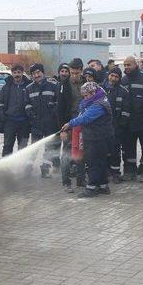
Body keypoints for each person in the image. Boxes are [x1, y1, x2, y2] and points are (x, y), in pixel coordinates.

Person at [61, 82, 113, 198]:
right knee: (100, 162)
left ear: (93, 92)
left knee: (93, 162)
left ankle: (92, 187)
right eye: (83, 96)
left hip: (98, 137)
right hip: (97, 136)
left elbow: (86, 117)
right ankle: (103, 186)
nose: (85, 98)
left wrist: (70, 123)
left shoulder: (99, 105)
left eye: (86, 95)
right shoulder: (95, 101)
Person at [120, 56, 143, 180]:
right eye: (125, 65)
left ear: (136, 64)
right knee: (129, 147)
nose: (126, 67)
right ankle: (130, 171)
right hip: (128, 121)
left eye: (129, 65)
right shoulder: (123, 80)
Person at [25, 63, 59, 178]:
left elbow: (58, 102)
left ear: (43, 72)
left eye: (38, 72)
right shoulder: (29, 88)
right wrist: (31, 115)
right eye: (34, 73)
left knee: (49, 148)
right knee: (34, 147)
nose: (36, 75)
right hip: (36, 123)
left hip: (50, 123)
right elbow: (27, 104)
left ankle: (45, 169)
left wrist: (53, 113)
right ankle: (28, 169)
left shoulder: (53, 85)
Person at [58, 58, 86, 192]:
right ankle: (66, 182)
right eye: (72, 72)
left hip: (84, 123)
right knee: (66, 154)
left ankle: (81, 180)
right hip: (68, 125)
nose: (74, 75)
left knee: (82, 151)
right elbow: (60, 109)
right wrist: (62, 130)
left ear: (81, 70)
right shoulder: (64, 85)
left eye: (76, 73)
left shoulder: (87, 83)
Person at [103, 66, 131, 183]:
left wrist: (121, 125)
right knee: (104, 150)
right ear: (108, 75)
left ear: (119, 78)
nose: (113, 78)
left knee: (115, 151)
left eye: (116, 76)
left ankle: (115, 173)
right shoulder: (100, 89)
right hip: (102, 127)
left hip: (116, 127)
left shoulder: (123, 91)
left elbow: (126, 110)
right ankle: (105, 172)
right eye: (112, 75)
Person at [0, 64, 31, 157]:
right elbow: (1, 103)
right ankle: (5, 167)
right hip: (10, 121)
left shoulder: (28, 86)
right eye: (15, 72)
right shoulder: (6, 87)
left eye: (19, 72)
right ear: (12, 73)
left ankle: (20, 167)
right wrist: (2, 116)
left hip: (24, 122)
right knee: (7, 146)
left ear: (22, 73)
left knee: (23, 147)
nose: (17, 75)